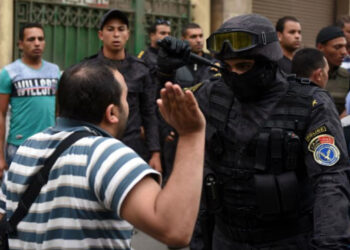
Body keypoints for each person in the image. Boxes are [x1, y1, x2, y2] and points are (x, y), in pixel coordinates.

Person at [157, 14, 350, 249]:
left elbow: (330, 181)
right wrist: (165, 74)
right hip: (224, 238)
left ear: (268, 62)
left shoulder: (310, 103)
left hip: (288, 241)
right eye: (227, 67)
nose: (235, 74)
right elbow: (171, 116)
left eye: (244, 66)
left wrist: (330, 244)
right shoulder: (213, 94)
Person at [0, 60, 206, 249]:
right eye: (126, 98)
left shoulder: (27, 147)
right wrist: (191, 134)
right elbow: (174, 229)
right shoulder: (105, 153)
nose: (128, 106)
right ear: (112, 113)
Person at [86, 9, 162, 172]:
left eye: (121, 29)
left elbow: (149, 113)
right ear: (100, 35)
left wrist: (155, 153)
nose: (116, 34)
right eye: (110, 29)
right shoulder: (88, 69)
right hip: (97, 146)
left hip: (132, 148)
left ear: (128, 34)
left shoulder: (140, 70)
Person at [0, 22, 60, 179]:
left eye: (40, 39)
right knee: (16, 198)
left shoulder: (55, 72)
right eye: (31, 39)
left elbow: (59, 112)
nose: (37, 43)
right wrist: (0, 156)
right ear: (20, 44)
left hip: (49, 145)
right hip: (19, 146)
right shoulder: (9, 73)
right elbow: (1, 114)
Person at [316, 25, 350, 116]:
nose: (344, 52)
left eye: (345, 47)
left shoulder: (347, 76)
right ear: (320, 47)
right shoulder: (306, 74)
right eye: (338, 47)